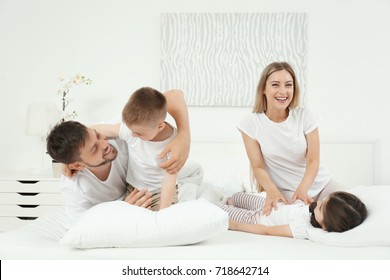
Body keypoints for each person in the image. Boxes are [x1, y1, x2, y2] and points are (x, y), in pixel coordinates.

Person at [46, 89, 196, 227]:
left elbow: (173, 96)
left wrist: (184, 137)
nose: (105, 143)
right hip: (132, 194)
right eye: (94, 149)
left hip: (158, 188)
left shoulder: (135, 125)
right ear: (77, 166)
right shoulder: (75, 187)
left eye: (97, 135)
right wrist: (122, 210)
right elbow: (81, 228)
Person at [238, 62, 346, 216]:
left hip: (322, 185)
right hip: (288, 193)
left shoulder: (305, 116)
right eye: (275, 85)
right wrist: (272, 191)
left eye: (288, 85)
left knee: (353, 210)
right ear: (263, 89)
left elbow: (313, 160)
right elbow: (258, 167)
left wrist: (304, 189)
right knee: (302, 219)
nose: (283, 91)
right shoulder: (250, 124)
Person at [92, 87, 187, 210]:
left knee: (160, 222)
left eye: (139, 133)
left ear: (160, 126)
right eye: (131, 131)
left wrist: (163, 212)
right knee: (127, 221)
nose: (133, 135)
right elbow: (95, 130)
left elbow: (169, 181)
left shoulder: (174, 143)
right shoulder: (132, 130)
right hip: (134, 188)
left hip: (160, 193)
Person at [218, 191, 367, 239]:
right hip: (268, 205)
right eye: (324, 200)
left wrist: (236, 226)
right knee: (237, 196)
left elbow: (268, 231)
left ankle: (226, 208)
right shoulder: (315, 212)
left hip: (255, 219)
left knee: (214, 210)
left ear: (326, 225)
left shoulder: (303, 229)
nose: (318, 202)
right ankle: (230, 203)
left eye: (321, 207)